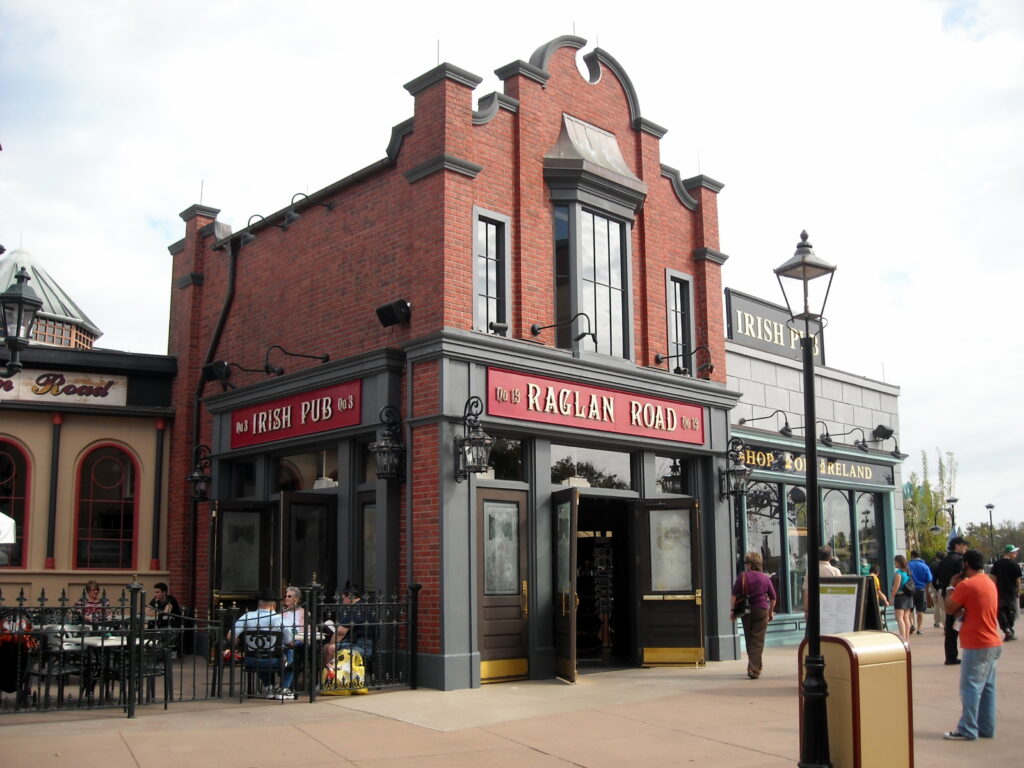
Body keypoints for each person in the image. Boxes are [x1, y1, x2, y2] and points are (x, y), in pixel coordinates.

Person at [942, 548, 1002, 740]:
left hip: (977, 644)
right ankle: (986, 727)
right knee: (987, 688)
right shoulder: (989, 583)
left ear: (966, 564)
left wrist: (951, 586)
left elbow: (950, 608)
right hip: (992, 641)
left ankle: (968, 729)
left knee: (970, 687)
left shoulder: (966, 586)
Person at [232, 589, 295, 700]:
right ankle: (284, 689)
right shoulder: (278, 619)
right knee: (290, 653)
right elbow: (289, 641)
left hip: (251, 660)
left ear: (259, 603)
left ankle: (269, 688)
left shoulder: (247, 616)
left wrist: (238, 643)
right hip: (274, 661)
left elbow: (230, 636)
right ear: (274, 605)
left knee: (260, 653)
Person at [730, 552, 776, 679]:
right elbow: (773, 597)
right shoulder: (765, 578)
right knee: (758, 640)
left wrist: (733, 611)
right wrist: (770, 612)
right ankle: (754, 668)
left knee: (750, 639)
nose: (746, 566)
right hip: (761, 609)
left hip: (746, 611)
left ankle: (754, 667)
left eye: (746, 563)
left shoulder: (742, 577)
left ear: (750, 564)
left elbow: (734, 595)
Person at [935, 537, 970, 665]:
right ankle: (968, 654)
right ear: (957, 546)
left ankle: (950, 656)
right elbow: (964, 578)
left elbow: (937, 577)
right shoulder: (960, 560)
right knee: (965, 625)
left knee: (950, 628)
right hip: (959, 596)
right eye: (964, 546)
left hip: (947, 595)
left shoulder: (943, 561)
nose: (966, 549)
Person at [322, 584, 374, 665]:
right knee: (326, 647)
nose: (343, 602)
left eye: (344, 599)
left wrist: (332, 644)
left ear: (350, 597)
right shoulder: (359, 606)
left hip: (362, 646)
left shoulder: (357, 609)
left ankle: (330, 675)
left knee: (331, 648)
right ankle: (326, 673)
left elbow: (341, 632)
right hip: (355, 641)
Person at [989, 544, 1021, 641]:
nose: (1016, 553)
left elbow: (993, 578)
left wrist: (993, 589)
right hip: (1010, 592)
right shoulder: (1015, 565)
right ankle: (1009, 629)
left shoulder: (997, 564)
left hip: (999, 591)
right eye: (1015, 552)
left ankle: (1006, 629)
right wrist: (1018, 591)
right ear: (1010, 553)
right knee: (1010, 612)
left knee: (1000, 611)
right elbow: (1017, 580)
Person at [803, 545, 841, 612]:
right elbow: (840, 592)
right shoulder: (835, 571)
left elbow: (806, 592)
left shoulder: (810, 571)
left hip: (814, 607)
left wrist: (806, 610)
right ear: (831, 557)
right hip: (832, 608)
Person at [907, 550, 933, 635]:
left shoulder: (909, 565)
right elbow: (929, 579)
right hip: (921, 590)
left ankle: (911, 624)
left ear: (912, 556)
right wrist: (926, 589)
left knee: (909, 610)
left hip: (910, 590)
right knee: (920, 610)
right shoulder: (925, 566)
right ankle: (920, 628)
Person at [890, 554, 913, 643]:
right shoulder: (908, 572)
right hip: (908, 596)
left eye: (895, 562)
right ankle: (906, 638)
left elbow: (896, 587)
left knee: (899, 618)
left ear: (899, 562)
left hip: (900, 597)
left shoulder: (898, 573)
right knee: (906, 617)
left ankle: (902, 637)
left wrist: (892, 597)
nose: (894, 564)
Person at [929, 550, 946, 628]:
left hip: (934, 586)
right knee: (944, 607)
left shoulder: (933, 565)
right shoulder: (945, 565)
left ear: (936, 557)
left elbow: (932, 578)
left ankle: (937, 621)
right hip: (944, 587)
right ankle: (945, 623)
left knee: (936, 605)